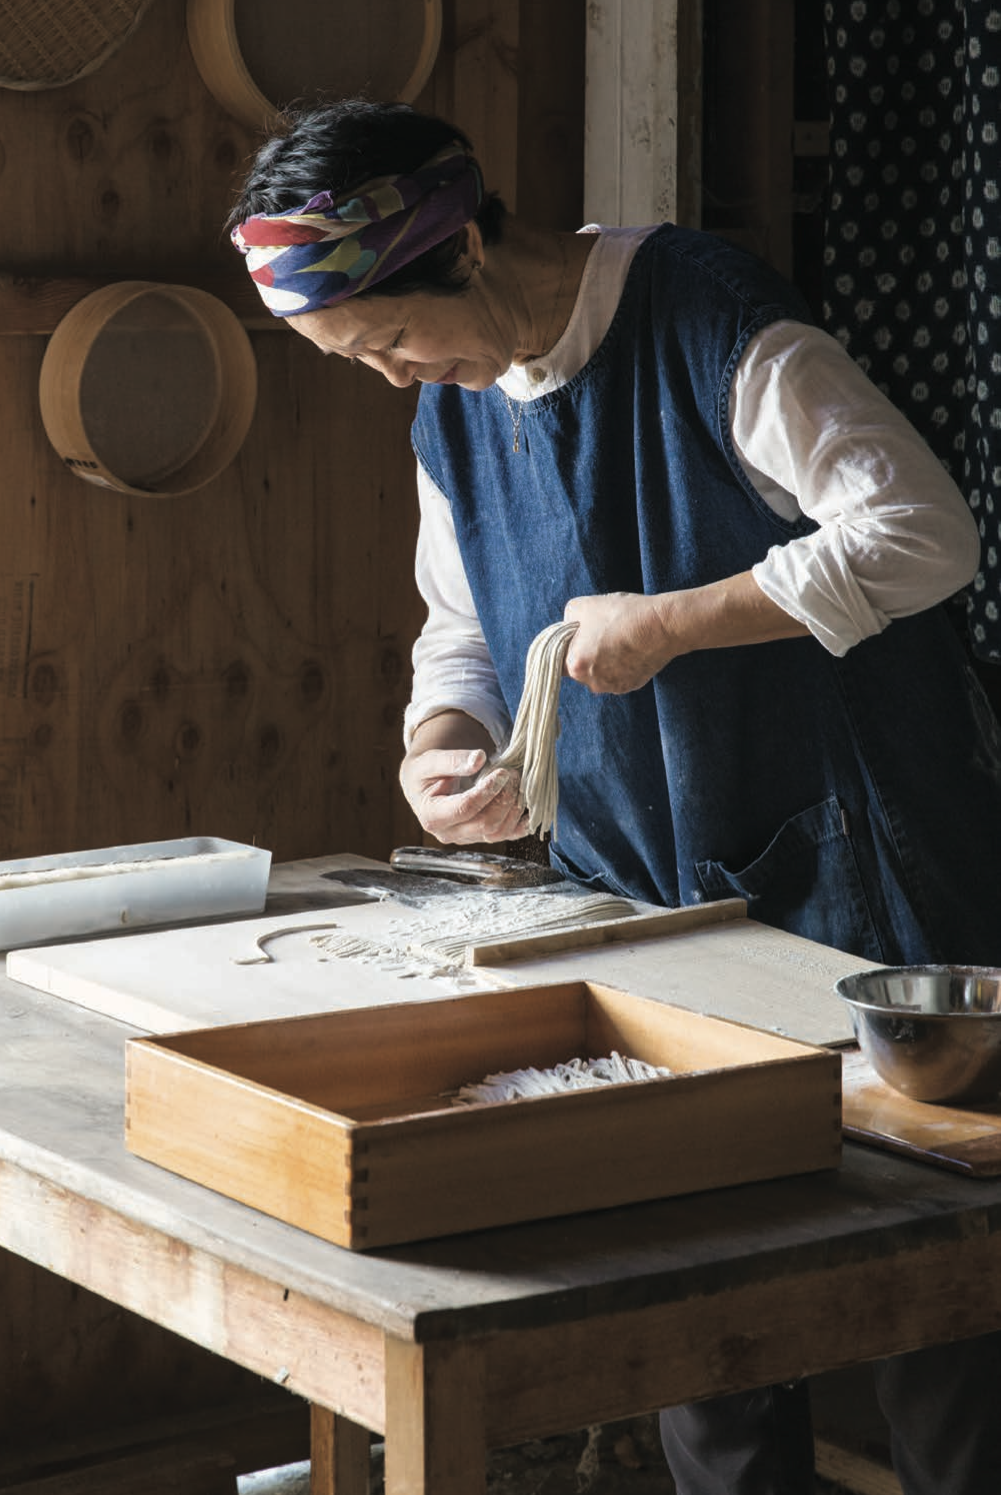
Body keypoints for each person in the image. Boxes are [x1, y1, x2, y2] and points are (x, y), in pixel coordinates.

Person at [229, 99, 1001, 1495]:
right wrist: (442, 741)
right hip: (649, 889)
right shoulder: (453, 417)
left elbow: (923, 535)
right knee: (699, 1296)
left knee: (932, 1304)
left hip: (861, 872)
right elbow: (456, 625)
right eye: (357, 360)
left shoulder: (708, 322)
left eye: (391, 339)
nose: (395, 377)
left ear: (463, 247)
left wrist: (677, 620)